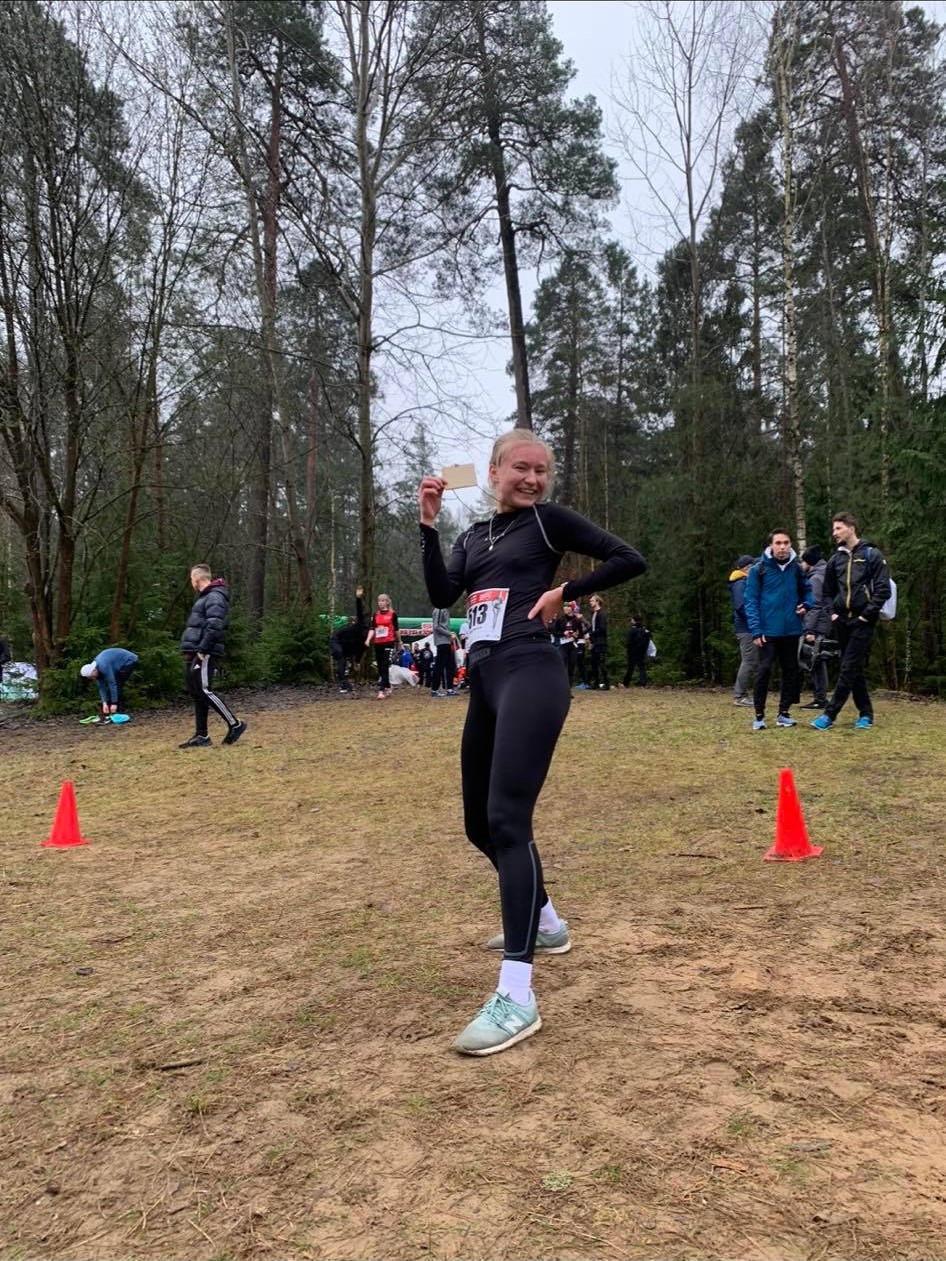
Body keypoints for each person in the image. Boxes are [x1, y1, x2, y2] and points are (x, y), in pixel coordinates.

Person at [418, 428, 645, 1056]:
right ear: (494, 471)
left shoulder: (548, 521)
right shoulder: (473, 536)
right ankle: (546, 923)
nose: (533, 479)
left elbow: (628, 558)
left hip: (533, 673)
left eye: (542, 470)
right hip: (485, 679)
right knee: (478, 825)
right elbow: (440, 594)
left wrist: (565, 592)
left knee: (508, 822)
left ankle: (517, 995)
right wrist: (428, 525)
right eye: (521, 468)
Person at [811, 512, 892, 731]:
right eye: (834, 528)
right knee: (852, 667)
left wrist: (866, 615)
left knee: (848, 667)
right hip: (841, 621)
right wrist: (833, 615)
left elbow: (883, 589)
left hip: (863, 621)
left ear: (851, 528)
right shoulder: (835, 560)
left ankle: (829, 714)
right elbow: (827, 593)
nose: (834, 533)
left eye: (838, 528)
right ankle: (866, 714)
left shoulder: (872, 554)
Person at [742, 530, 812, 731]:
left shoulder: (796, 569)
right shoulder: (759, 569)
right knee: (763, 670)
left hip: (791, 629)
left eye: (786, 543)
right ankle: (759, 715)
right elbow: (750, 601)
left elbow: (807, 590)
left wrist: (806, 604)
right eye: (778, 543)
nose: (782, 547)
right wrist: (756, 630)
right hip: (767, 631)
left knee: (790, 671)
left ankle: (784, 713)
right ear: (771, 545)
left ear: (790, 545)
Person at [179, 564, 246, 748]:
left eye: (191, 579)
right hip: (195, 650)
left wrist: (202, 650)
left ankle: (235, 724)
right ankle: (202, 736)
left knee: (204, 689)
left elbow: (215, 625)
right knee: (196, 691)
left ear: (196, 579)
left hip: (204, 651)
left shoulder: (215, 596)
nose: (191, 582)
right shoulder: (205, 597)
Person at [798, 546, 832, 709]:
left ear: (809, 562)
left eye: (803, 561)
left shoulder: (815, 579)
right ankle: (820, 697)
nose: (801, 564)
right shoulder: (824, 573)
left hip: (817, 626)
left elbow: (815, 605)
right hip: (823, 623)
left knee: (816, 660)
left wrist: (809, 630)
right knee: (817, 659)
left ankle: (820, 698)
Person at [728, 554, 758, 706]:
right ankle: (740, 696)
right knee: (749, 661)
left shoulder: (745, 582)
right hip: (746, 628)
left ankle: (743, 694)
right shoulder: (740, 583)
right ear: (747, 568)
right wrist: (755, 620)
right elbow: (740, 607)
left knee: (752, 661)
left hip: (749, 627)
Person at [80, 647, 139, 721]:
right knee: (114, 685)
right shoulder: (95, 671)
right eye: (90, 678)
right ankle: (109, 710)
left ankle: (118, 711)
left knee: (118, 683)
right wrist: (104, 703)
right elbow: (101, 688)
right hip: (115, 663)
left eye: (92, 677)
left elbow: (112, 684)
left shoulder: (103, 666)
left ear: (94, 670)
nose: (93, 678)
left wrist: (114, 703)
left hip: (129, 660)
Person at [330, 585, 367, 693]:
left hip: (345, 646)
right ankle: (343, 684)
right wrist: (358, 598)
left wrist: (357, 663)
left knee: (344, 662)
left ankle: (345, 684)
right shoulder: (360, 626)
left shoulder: (364, 643)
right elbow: (359, 612)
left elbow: (360, 654)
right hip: (337, 640)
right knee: (341, 659)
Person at [365, 593, 402, 699]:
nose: (380, 603)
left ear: (387, 602)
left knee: (385, 665)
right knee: (380, 667)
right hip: (378, 643)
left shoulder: (392, 614)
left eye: (382, 601)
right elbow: (372, 628)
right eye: (379, 601)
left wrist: (399, 642)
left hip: (389, 642)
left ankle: (381, 690)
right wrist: (368, 639)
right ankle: (388, 685)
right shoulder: (376, 615)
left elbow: (396, 629)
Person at [430, 606, 457, 697]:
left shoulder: (444, 609)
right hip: (442, 642)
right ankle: (435, 689)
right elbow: (436, 626)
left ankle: (450, 689)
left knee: (449, 666)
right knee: (439, 666)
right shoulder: (439, 609)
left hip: (446, 641)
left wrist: (449, 634)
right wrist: (449, 634)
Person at [588, 594, 610, 690]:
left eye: (592, 601)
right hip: (594, 642)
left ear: (597, 602)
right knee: (594, 663)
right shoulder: (593, 614)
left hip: (600, 642)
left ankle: (606, 684)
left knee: (601, 663)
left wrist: (590, 634)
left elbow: (602, 628)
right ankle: (596, 683)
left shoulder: (602, 614)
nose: (590, 602)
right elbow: (592, 627)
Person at [623, 616, 652, 687]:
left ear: (634, 621)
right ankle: (643, 682)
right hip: (642, 651)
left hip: (633, 652)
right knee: (641, 667)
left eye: (632, 620)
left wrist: (628, 651)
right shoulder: (645, 630)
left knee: (630, 667)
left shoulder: (632, 630)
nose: (631, 621)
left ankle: (626, 683)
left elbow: (629, 642)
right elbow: (648, 640)